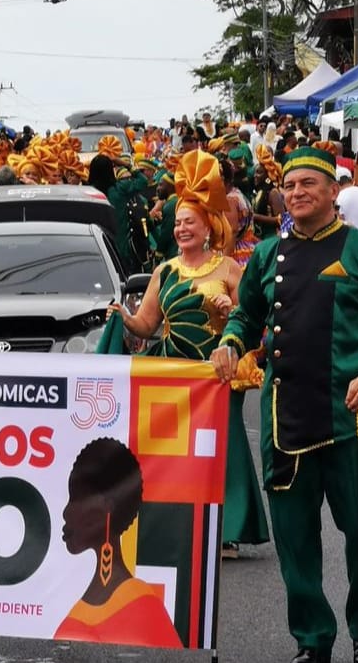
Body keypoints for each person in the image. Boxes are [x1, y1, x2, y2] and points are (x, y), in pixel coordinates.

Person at [212, 146, 358, 663]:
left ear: (332, 192)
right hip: (286, 421)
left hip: (353, 421)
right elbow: (247, 316)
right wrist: (232, 342)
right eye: (290, 184)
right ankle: (312, 639)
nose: (297, 192)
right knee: (296, 539)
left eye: (309, 184)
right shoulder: (266, 257)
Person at [105, 150, 267, 556]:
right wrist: (123, 318)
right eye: (176, 223)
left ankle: (226, 527)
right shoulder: (165, 271)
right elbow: (147, 325)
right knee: (173, 448)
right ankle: (174, 520)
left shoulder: (229, 268)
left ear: (208, 225)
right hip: (174, 374)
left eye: (188, 222)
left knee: (220, 447)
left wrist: (232, 311)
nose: (180, 229)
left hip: (218, 373)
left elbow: (253, 320)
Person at [54, 437, 182, 648]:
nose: (66, 512)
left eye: (76, 498)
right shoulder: (85, 599)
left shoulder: (141, 606)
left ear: (107, 506)